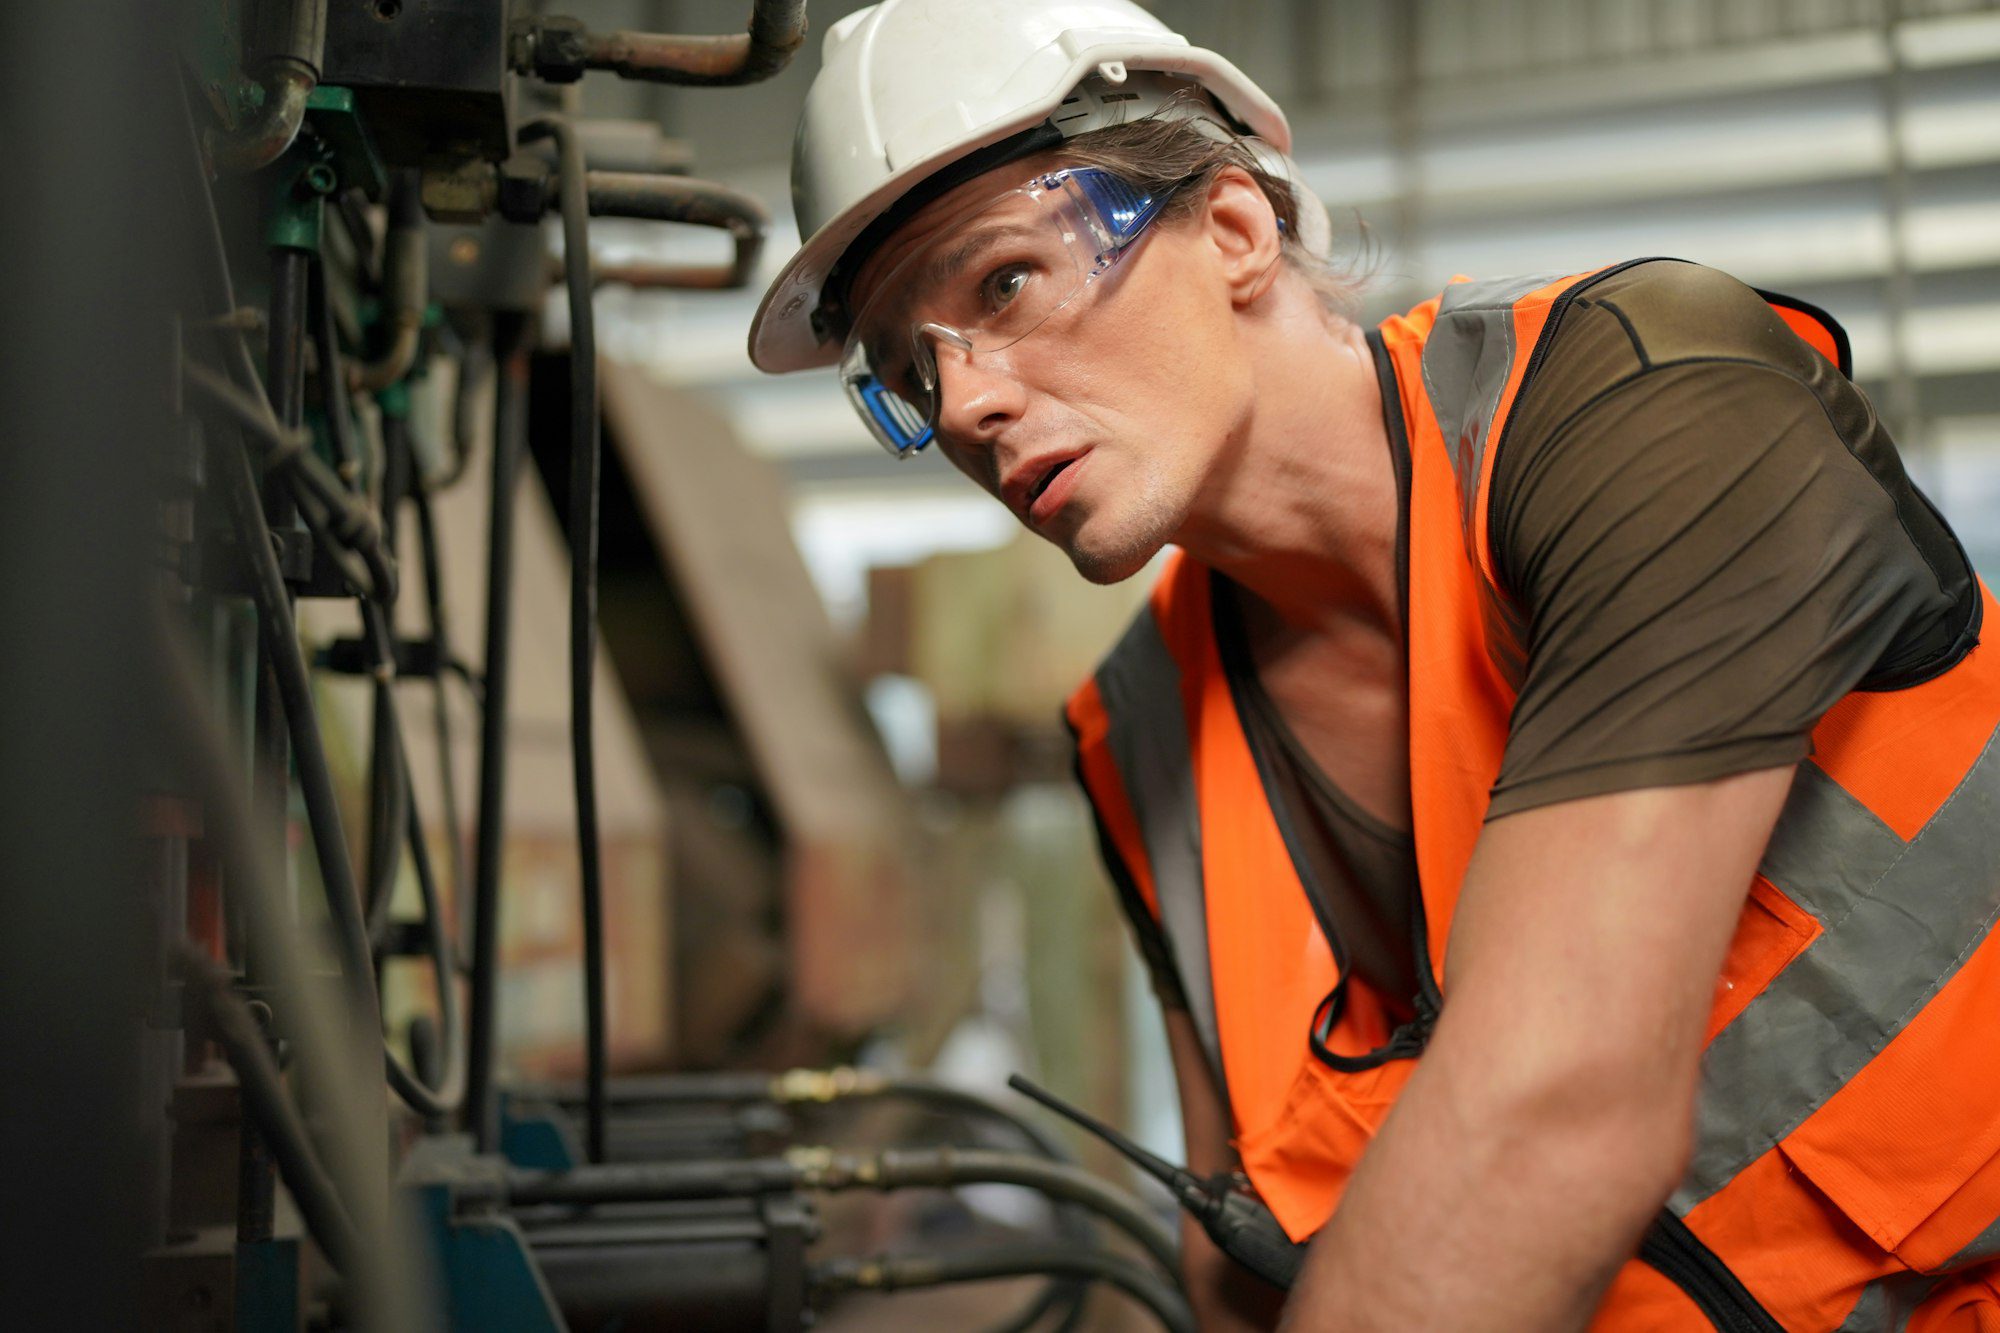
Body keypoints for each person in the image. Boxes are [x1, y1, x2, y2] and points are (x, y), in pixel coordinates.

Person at [748, 2, 2000, 1328]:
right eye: (905, 371)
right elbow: (1235, 1266)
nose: (965, 404)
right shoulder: (1139, 728)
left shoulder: (1647, 404)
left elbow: (1553, 1114)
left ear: (1233, 228)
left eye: (1003, 283)